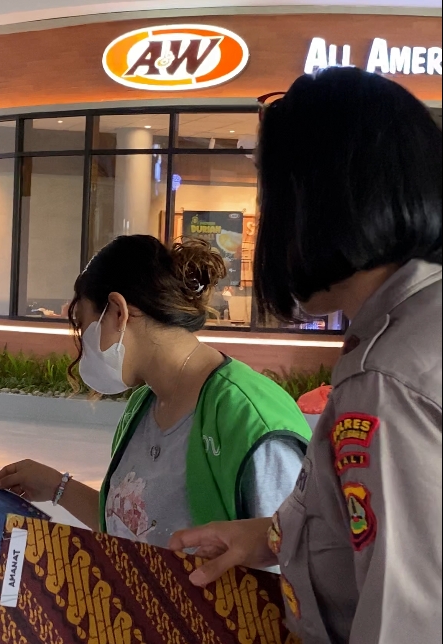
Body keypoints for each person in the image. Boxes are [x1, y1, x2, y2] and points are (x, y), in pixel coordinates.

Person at [169, 68, 442, 644]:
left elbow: (404, 620)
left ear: (318, 201)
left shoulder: (385, 380)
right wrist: (269, 536)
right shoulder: (417, 323)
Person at [0, 235, 312, 547]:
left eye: (83, 325)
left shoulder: (248, 419)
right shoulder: (143, 406)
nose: (81, 350)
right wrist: (56, 487)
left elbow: (295, 555)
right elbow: (134, 528)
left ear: (117, 312)